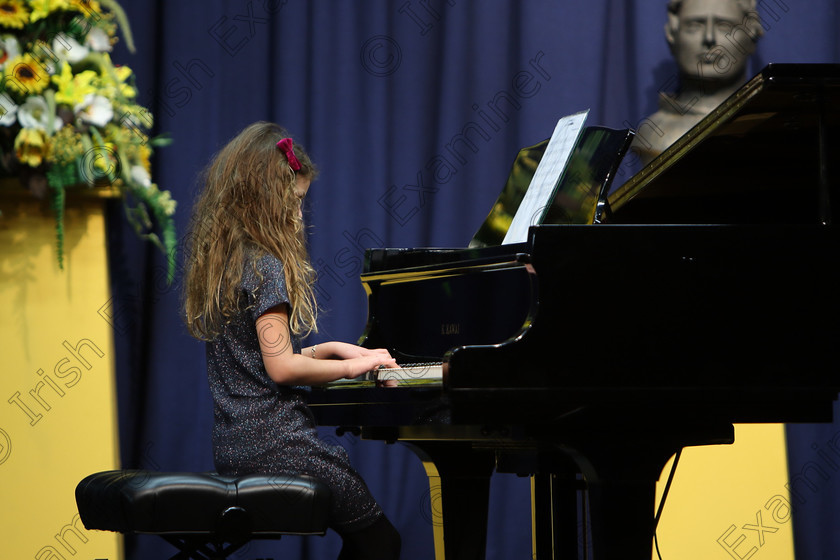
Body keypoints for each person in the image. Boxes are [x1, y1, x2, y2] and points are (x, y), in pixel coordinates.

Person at [182, 121, 402, 560]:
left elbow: (260, 356)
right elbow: (281, 368)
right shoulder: (266, 266)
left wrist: (328, 349)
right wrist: (352, 367)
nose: (299, 215)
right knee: (381, 542)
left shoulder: (228, 263)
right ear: (265, 199)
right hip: (281, 448)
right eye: (294, 202)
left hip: (236, 446)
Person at [632, 0, 764, 165]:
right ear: (672, 35)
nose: (709, 37)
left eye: (724, 26)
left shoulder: (768, 128)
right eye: (695, 25)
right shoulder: (653, 134)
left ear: (751, 37)